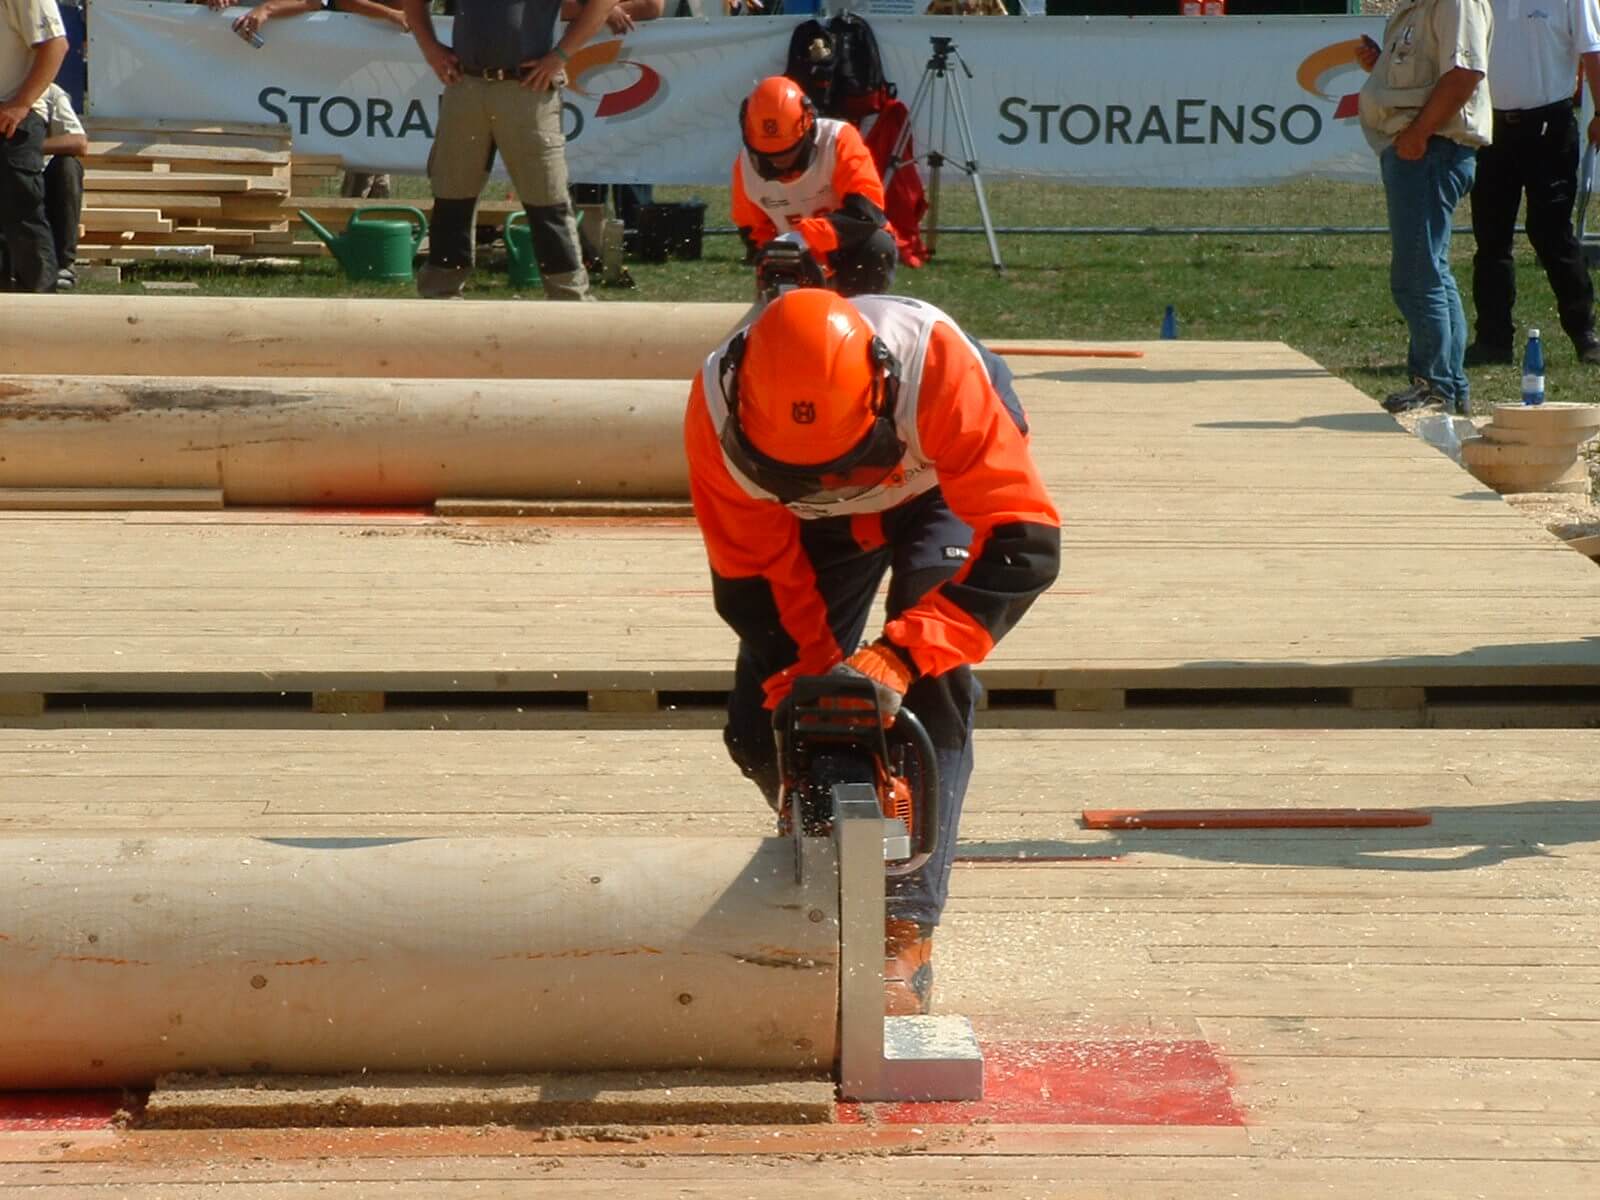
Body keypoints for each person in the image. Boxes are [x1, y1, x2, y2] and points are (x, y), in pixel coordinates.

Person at [683, 289, 1061, 1015]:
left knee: (933, 687)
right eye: (814, 473)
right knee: (759, 727)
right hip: (809, 527)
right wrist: (811, 692)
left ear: (882, 390)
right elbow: (752, 582)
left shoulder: (938, 366)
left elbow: (1023, 544)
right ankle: (822, 862)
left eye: (848, 466)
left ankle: (902, 923)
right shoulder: (713, 414)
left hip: (938, 487)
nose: (839, 484)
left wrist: (901, 658)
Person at [401, 0, 615, 300]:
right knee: (451, 193)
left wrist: (559, 56)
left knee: (547, 198)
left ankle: (569, 297)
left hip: (528, 88)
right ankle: (440, 293)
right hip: (466, 84)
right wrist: (431, 49)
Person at [1356, 0, 1493, 415]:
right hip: (1421, 148)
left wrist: (1418, 133)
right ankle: (1445, 385)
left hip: (1431, 149)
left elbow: (1465, 74)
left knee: (1418, 274)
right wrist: (1382, 67)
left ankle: (1436, 385)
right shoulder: (1419, 6)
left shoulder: (1455, 3)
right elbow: (1429, 71)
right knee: (1429, 270)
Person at [1467, 0, 1600, 367]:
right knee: (1490, 235)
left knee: (1552, 232)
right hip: (1490, 126)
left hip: (1549, 126)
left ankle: (1584, 334)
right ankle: (1493, 339)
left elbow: (1593, 51)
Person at [732, 75, 898, 298]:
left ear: (807, 127)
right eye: (767, 157)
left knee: (877, 245)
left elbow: (867, 212)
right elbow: (753, 231)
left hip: (848, 249)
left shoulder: (838, 140)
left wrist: (805, 237)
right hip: (793, 261)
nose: (779, 162)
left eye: (788, 153)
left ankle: (860, 310)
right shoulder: (744, 167)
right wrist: (772, 253)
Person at [563, 0, 662, 250]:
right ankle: (584, 239)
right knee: (582, 172)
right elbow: (555, 10)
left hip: (629, 74)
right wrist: (604, 11)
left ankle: (635, 235)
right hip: (577, 75)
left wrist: (599, 11)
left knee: (630, 156)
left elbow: (652, 6)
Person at [1, 0, 67, 293]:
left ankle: (41, 305)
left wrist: (21, 103)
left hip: (13, 115)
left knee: (21, 209)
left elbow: (55, 45)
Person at [38, 81, 83, 291]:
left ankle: (64, 265)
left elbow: (79, 142)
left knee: (68, 167)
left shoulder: (50, 93)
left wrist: (26, 148)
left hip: (41, 177)